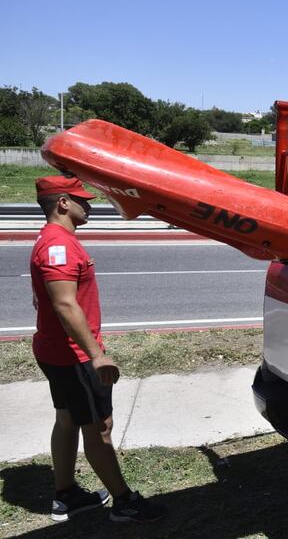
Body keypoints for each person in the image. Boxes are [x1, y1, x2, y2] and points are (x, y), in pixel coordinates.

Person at [31, 175, 167, 524]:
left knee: (68, 419)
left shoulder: (54, 241)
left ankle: (66, 495)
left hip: (57, 351)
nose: (88, 204)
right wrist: (96, 355)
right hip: (73, 356)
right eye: (81, 199)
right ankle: (124, 502)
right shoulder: (57, 247)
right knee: (99, 426)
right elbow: (64, 305)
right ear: (63, 203)